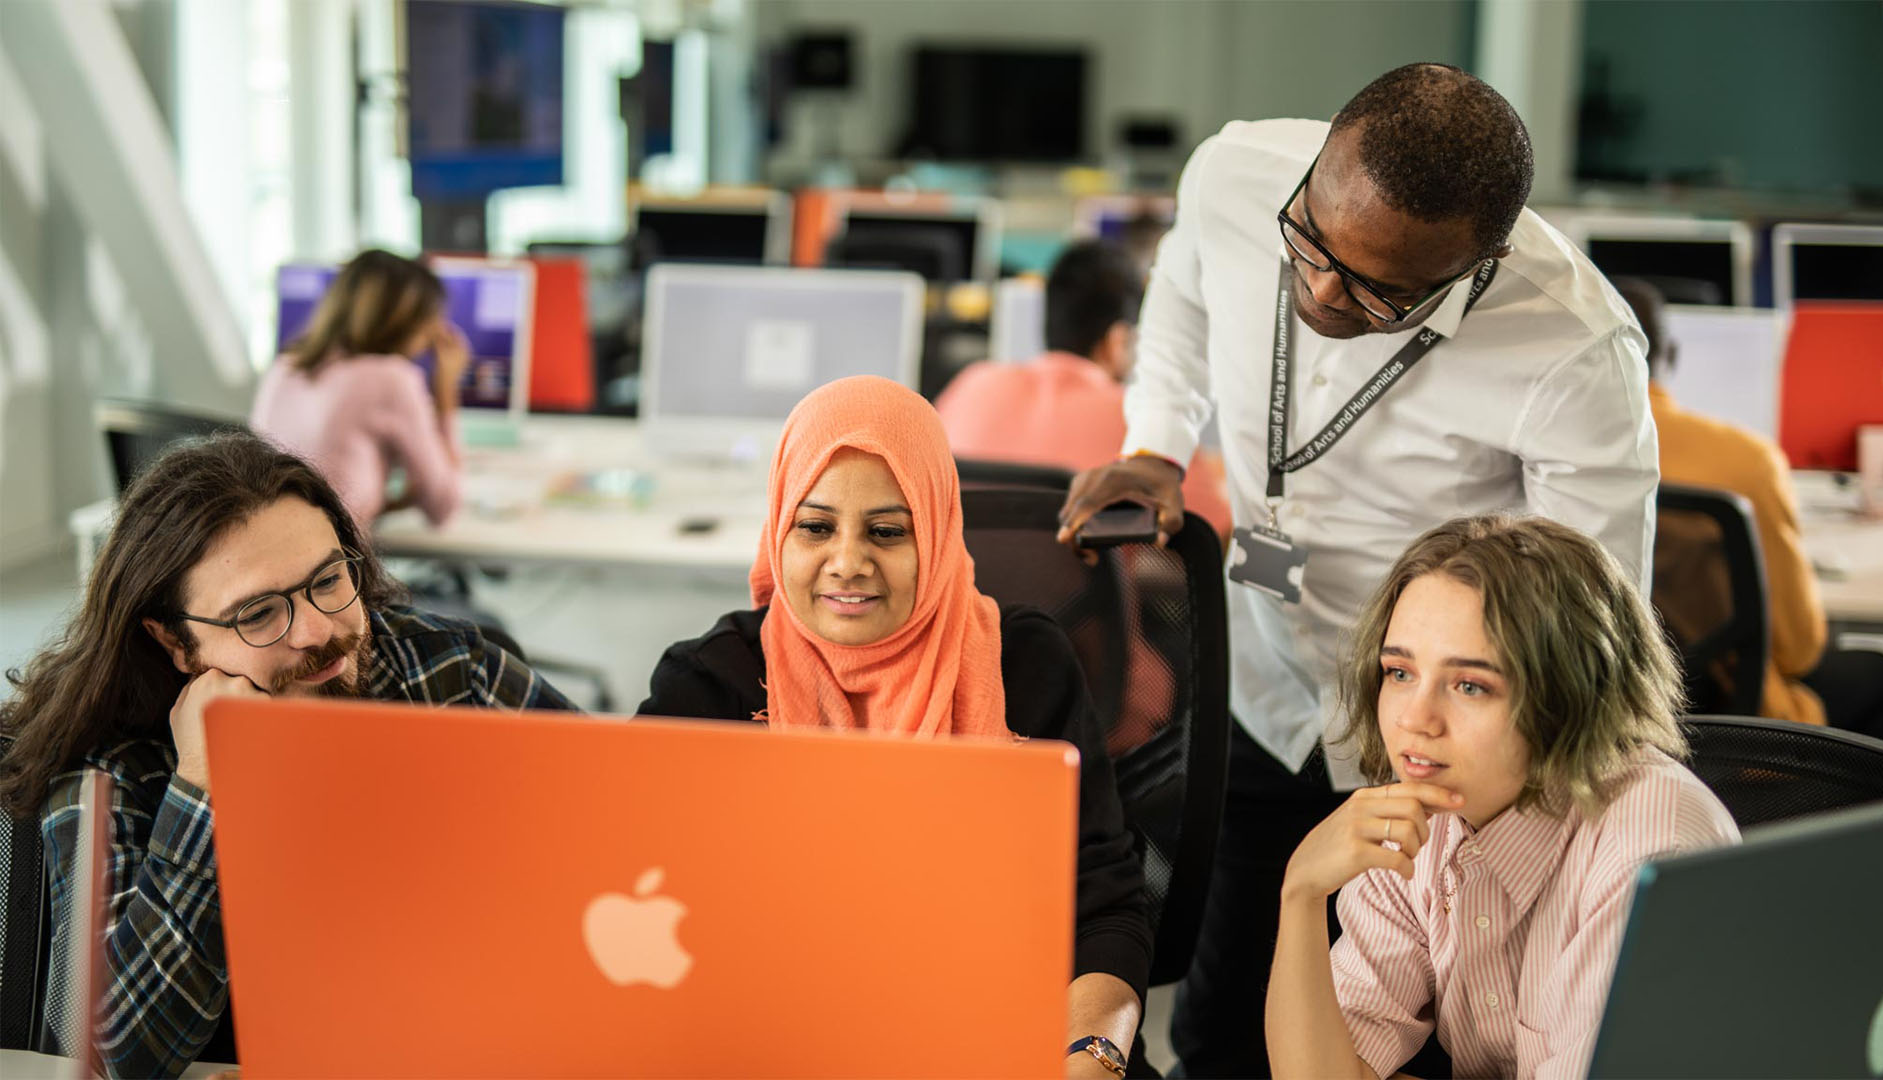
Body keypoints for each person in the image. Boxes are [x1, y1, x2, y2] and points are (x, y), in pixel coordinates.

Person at [1055, 63, 1661, 1076]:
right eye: (1310, 246)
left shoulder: (1573, 350)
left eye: (1380, 291)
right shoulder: (1235, 175)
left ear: (1483, 262)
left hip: (1433, 747)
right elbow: (1184, 299)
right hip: (1269, 687)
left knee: (1398, 1049)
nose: (1323, 291)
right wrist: (1157, 442)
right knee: (1218, 1034)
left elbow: (1589, 627)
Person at [0, 433, 577, 1078]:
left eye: (329, 579)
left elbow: (615, 810)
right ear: (177, 643)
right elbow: (118, 1055)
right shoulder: (109, 764)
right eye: (259, 613)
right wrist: (202, 788)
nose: (319, 631)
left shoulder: (440, 670)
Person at [639, 375, 1153, 1078]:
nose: (848, 563)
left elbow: (1106, 907)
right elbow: (641, 910)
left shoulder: (1025, 666)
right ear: (778, 526)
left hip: (1004, 1035)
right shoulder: (712, 684)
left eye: (887, 531)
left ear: (937, 530)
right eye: (814, 526)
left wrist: (1093, 1054)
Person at [1267, 514, 1739, 1079]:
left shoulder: (1650, 848)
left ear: (1565, 695)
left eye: (1470, 685)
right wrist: (1301, 893)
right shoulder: (1427, 810)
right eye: (1399, 672)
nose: (1415, 719)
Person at [1622, 277, 1883, 741]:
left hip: (1611, 714)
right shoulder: (1744, 458)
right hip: (1740, 718)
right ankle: (1851, 815)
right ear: (1669, 355)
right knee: (1875, 673)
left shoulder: (1545, 456)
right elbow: (1800, 650)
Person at [937, 240, 1232, 537]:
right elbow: (1214, 533)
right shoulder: (1143, 424)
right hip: (1083, 584)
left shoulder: (972, 383)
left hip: (970, 581)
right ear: (1118, 341)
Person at [250, 248, 470, 530]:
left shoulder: (284, 366)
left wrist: (382, 500)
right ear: (409, 321)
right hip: (336, 564)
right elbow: (444, 506)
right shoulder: (392, 378)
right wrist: (446, 389)